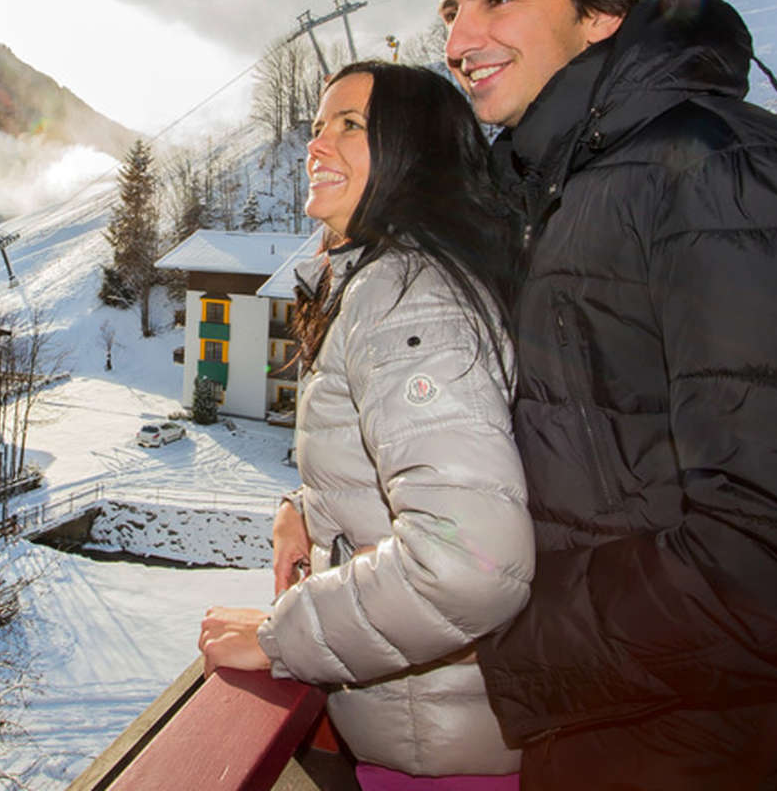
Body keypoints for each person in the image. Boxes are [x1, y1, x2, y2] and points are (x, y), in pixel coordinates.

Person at [429, 0, 777, 789]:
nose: (456, 40)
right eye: (448, 8)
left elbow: (768, 553)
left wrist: (516, 649)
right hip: (614, 716)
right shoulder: (564, 186)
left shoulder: (717, 170)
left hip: (698, 741)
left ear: (600, 15)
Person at [199, 61, 534, 788]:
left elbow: (469, 564)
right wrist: (306, 513)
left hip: (439, 752)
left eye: (351, 125)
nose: (316, 146)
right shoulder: (387, 277)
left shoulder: (409, 295)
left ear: (418, 150)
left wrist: (280, 638)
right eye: (316, 128)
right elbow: (390, 469)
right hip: (431, 731)